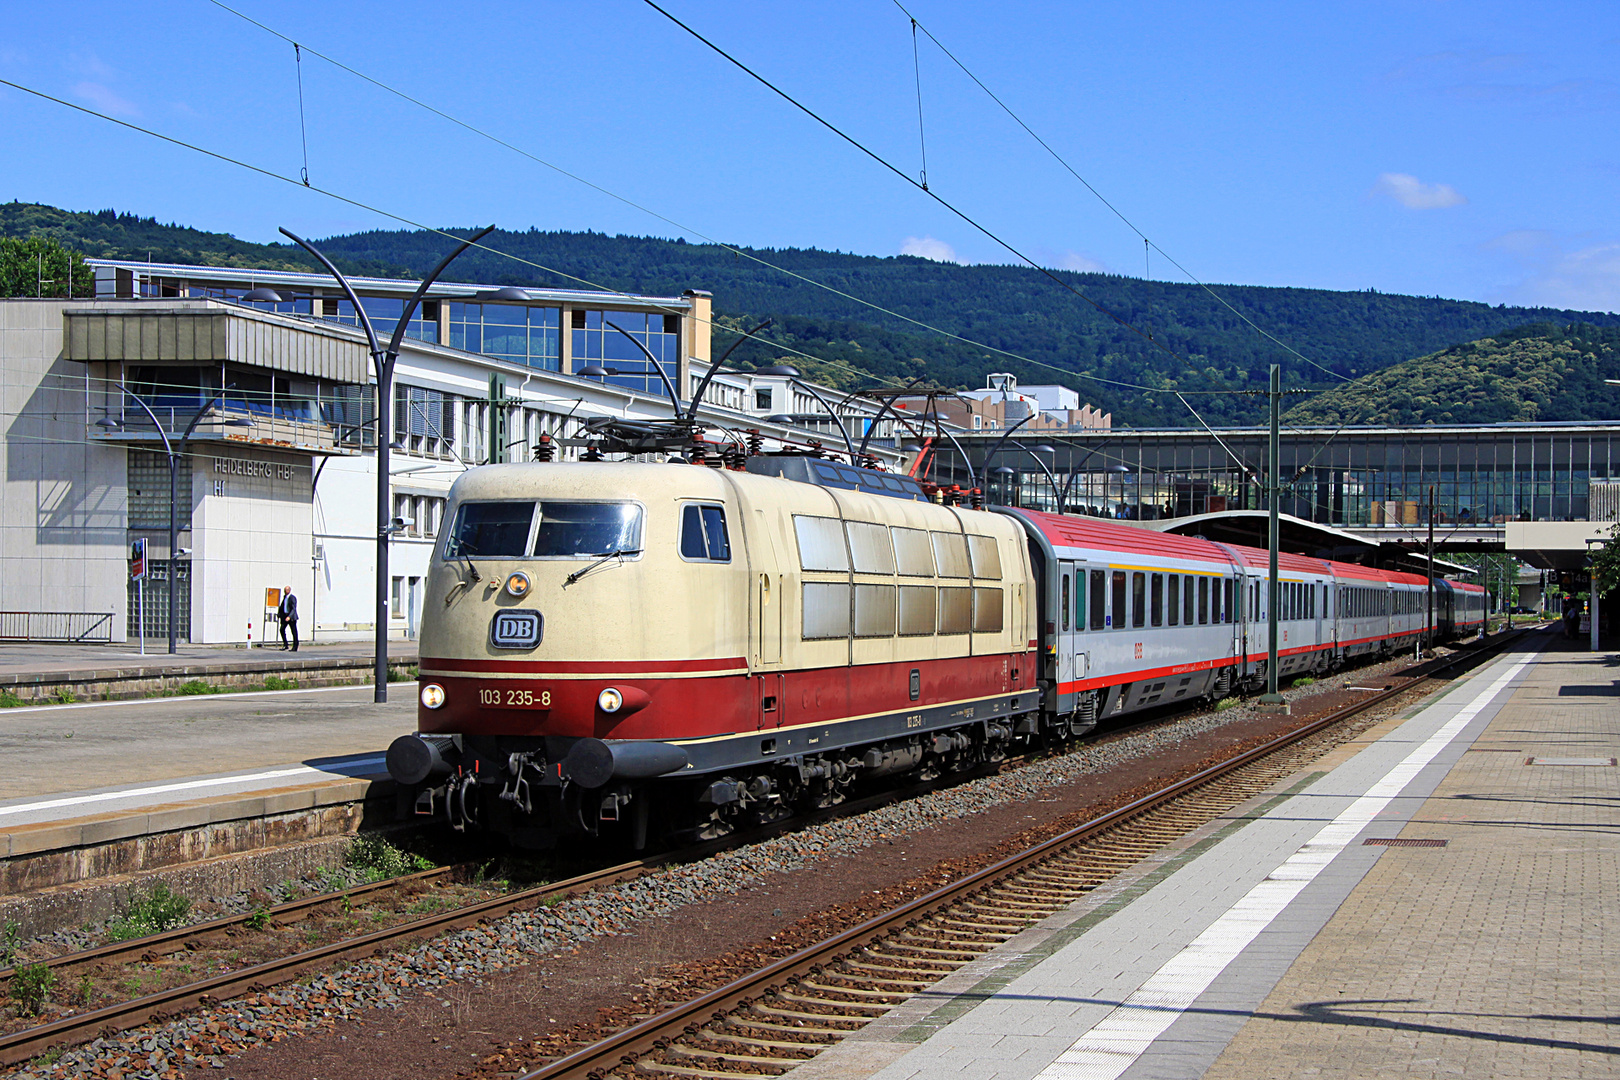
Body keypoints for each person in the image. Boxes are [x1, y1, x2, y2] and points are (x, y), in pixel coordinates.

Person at [278, 585, 299, 652]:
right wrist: (279, 614)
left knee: (293, 631)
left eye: (286, 590)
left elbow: (293, 608)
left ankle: (295, 646)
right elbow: (282, 607)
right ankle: (285, 644)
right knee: (282, 629)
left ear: (289, 590)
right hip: (285, 616)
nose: (285, 591)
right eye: (284, 590)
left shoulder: (292, 598)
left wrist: (289, 616)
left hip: (291, 617)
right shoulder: (285, 597)